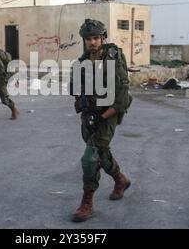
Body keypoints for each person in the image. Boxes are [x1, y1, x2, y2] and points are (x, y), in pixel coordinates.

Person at [70, 19, 132, 223]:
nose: (92, 42)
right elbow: (75, 89)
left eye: (96, 38)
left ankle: (86, 203)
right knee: (100, 152)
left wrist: (101, 117)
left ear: (103, 38)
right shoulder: (81, 62)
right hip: (89, 115)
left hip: (109, 114)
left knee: (89, 158)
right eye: (88, 39)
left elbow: (121, 97)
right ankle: (120, 179)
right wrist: (85, 108)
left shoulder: (113, 59)